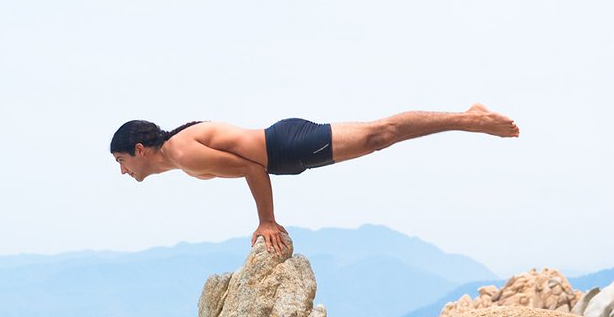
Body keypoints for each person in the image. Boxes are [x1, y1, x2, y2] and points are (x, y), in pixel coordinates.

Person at [110, 105, 519, 255]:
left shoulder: (183, 152)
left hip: (288, 146)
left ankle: (469, 119)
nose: (123, 170)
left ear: (140, 149)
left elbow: (253, 167)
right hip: (287, 149)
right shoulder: (181, 156)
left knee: (381, 135)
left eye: (121, 160)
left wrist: (267, 220)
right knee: (380, 135)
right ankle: (467, 118)